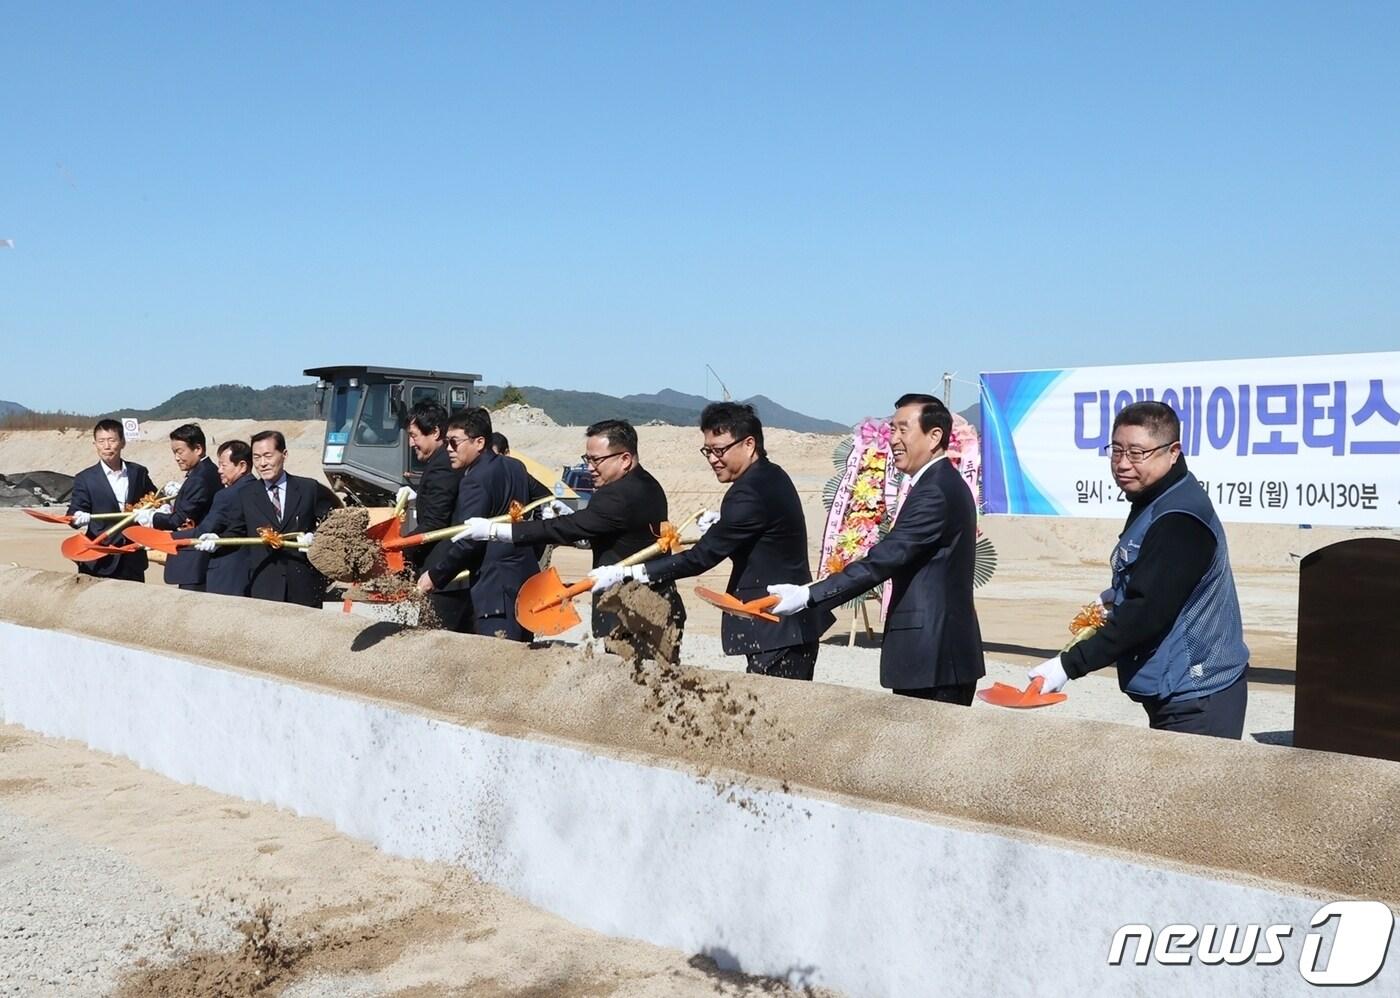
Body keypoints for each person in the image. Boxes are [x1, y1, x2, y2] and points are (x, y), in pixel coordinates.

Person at [1027, 401, 1250, 738]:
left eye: (1136, 453)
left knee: (1191, 790)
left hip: (1198, 696)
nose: (1122, 463)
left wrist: (1068, 665)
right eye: (1116, 451)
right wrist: (1116, 596)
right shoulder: (1156, 498)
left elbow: (1145, 613)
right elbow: (1153, 582)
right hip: (1180, 690)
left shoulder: (1178, 519)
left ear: (1173, 451)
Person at [767, 394, 985, 704]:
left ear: (934, 436)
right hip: (937, 655)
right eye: (891, 430)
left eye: (902, 430)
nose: (893, 440)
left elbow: (883, 560)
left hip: (934, 656)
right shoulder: (939, 483)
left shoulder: (935, 491)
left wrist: (808, 596)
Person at [590, 403, 831, 679]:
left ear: (749, 444)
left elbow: (701, 557)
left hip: (775, 625)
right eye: (708, 451)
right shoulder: (771, 475)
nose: (713, 459)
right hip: (788, 627)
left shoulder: (748, 493)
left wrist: (628, 572)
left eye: (719, 450)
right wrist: (722, 523)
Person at [454, 418, 685, 639]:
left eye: (596, 460)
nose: (590, 468)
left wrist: (496, 531)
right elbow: (598, 527)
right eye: (587, 459)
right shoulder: (649, 483)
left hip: (632, 612)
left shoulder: (618, 495)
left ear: (625, 459)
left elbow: (568, 528)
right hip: (660, 605)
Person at [416, 407, 537, 640]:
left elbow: (470, 541)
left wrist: (435, 575)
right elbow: (541, 500)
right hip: (523, 579)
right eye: (446, 442)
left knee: (497, 661)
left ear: (479, 442)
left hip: (494, 587)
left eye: (454, 442)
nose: (448, 449)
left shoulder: (475, 479)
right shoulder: (515, 467)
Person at [197, 429, 334, 608]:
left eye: (268, 456)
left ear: (284, 454)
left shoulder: (309, 488)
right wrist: (217, 540)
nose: (262, 463)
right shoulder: (247, 494)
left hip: (303, 583)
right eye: (257, 457)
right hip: (265, 585)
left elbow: (333, 521)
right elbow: (236, 530)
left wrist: (316, 537)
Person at [397, 400, 471, 630]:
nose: (411, 443)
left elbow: (435, 523)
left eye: (414, 435)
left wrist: (399, 550)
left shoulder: (442, 466)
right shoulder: (439, 463)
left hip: (445, 579)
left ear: (436, 432)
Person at [66, 419, 157, 582]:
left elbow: (155, 499)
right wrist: (78, 518)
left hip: (132, 558)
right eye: (101, 441)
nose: (106, 446)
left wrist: (157, 508)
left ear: (122, 442)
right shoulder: (85, 478)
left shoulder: (138, 472)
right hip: (99, 559)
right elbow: (73, 514)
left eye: (112, 440)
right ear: (95, 444)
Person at [136, 423, 221, 591]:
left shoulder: (200, 478)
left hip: (196, 559)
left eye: (179, 451)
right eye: (174, 452)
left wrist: (152, 518)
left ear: (197, 448)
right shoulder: (204, 472)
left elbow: (180, 519)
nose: (176, 457)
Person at [174, 439, 256, 597]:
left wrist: (171, 537)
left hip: (227, 572)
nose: (219, 470)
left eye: (223, 465)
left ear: (242, 466)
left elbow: (204, 531)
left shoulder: (227, 495)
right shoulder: (259, 489)